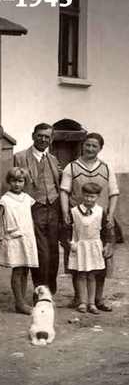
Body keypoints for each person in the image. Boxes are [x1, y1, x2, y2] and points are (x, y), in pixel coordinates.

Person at [60, 132, 119, 311]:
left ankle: (98, 299)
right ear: (82, 146)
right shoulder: (72, 167)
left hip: (100, 221)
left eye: (94, 146)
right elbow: (64, 191)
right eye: (87, 145)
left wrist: (110, 215)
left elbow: (114, 193)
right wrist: (65, 213)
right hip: (77, 220)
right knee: (76, 258)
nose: (90, 148)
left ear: (100, 148)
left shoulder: (106, 168)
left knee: (101, 259)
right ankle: (80, 298)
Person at [0, 167, 38, 315]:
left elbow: (30, 218)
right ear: (9, 182)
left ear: (25, 183)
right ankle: (19, 303)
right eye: (14, 181)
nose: (17, 184)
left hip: (27, 237)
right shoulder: (5, 200)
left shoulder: (27, 199)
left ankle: (22, 301)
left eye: (20, 181)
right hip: (14, 238)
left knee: (26, 269)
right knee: (18, 269)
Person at [14, 123, 61, 294]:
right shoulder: (20, 157)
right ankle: (40, 288)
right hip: (33, 208)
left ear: (51, 139)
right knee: (40, 252)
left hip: (53, 208)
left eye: (47, 136)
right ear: (33, 135)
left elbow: (58, 183)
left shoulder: (53, 160)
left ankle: (50, 288)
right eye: (40, 135)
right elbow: (13, 185)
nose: (43, 139)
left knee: (54, 251)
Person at [67, 182, 113, 314]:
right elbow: (67, 229)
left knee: (92, 275)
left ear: (97, 196)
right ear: (82, 195)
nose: (89, 199)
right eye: (86, 196)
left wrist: (107, 244)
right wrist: (70, 243)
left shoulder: (100, 211)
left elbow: (106, 230)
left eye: (92, 197)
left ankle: (92, 303)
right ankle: (82, 302)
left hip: (94, 246)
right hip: (80, 246)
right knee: (81, 274)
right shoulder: (74, 211)